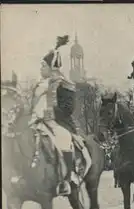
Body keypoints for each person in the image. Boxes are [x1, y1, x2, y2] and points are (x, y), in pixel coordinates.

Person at [29, 35, 76, 196]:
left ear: (51, 68)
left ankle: (67, 180)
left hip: (57, 123)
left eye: (43, 66)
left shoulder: (64, 84)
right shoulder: (38, 85)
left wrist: (51, 113)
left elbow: (69, 109)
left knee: (64, 138)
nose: (41, 69)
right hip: (37, 121)